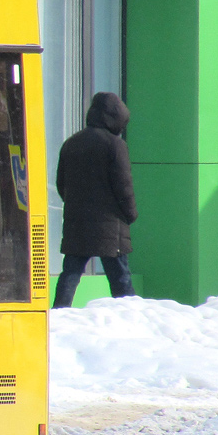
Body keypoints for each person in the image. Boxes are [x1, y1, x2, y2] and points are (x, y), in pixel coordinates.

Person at [53, 91, 137, 308]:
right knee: (120, 278)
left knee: (70, 272)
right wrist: (130, 214)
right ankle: (131, 317)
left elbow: (61, 184)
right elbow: (123, 186)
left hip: (77, 221)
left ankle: (60, 313)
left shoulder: (71, 143)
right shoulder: (115, 146)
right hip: (110, 225)